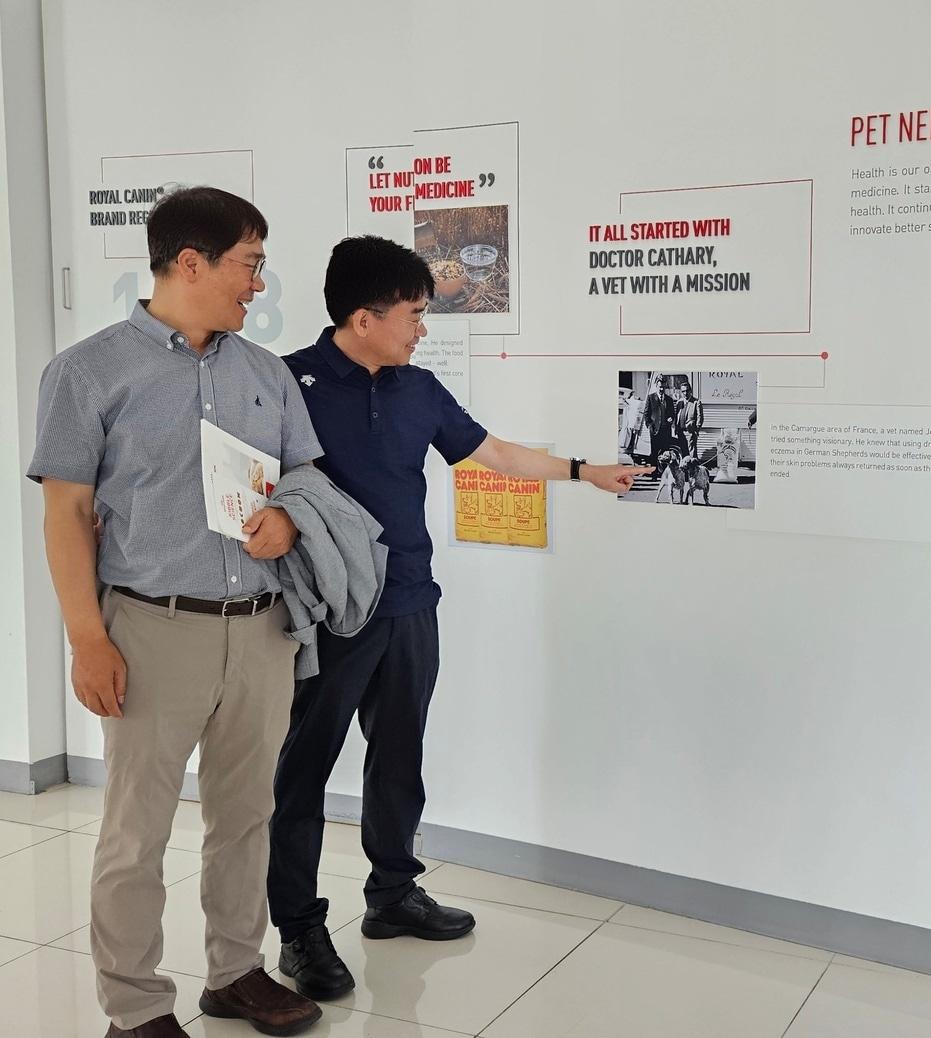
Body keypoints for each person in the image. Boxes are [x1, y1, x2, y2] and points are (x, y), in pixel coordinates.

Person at [267, 235, 647, 1001]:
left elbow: (494, 454)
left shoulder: (417, 387)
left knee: (399, 755)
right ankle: (300, 929)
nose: (421, 328)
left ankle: (392, 895)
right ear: (366, 316)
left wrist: (583, 472)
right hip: (329, 611)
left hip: (410, 601)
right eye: (412, 313)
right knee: (303, 771)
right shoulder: (284, 384)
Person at [28, 187, 324, 1038]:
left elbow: (304, 475)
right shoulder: (89, 371)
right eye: (249, 264)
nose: (258, 285)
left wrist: (290, 516)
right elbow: (64, 513)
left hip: (262, 630)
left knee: (246, 816)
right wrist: (88, 638)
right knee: (136, 830)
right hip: (150, 628)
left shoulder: (264, 373)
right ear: (189, 262)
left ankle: (234, 972)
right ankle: (135, 1006)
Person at [676, 380, 704, 457]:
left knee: (692, 453)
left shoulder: (696, 402)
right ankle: (685, 468)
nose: (685, 393)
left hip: (690, 432)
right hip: (680, 432)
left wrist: (696, 430)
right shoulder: (679, 402)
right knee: (683, 452)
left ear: (690, 391)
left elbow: (700, 417)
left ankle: (693, 468)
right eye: (683, 391)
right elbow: (677, 416)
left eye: (687, 391)